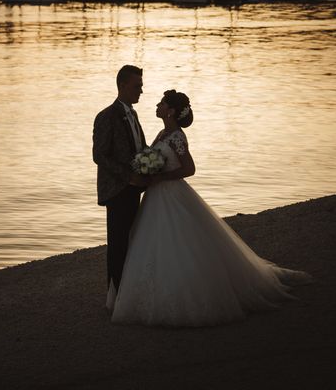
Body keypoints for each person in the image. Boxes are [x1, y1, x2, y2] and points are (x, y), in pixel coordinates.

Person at [111, 90, 312, 327]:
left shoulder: (177, 136)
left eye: (162, 103)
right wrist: (148, 169)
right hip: (156, 196)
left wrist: (161, 177)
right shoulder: (162, 133)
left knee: (179, 243)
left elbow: (189, 169)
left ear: (172, 111)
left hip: (171, 194)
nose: (157, 104)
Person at [92, 65, 150, 310]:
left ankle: (129, 293)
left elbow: (140, 148)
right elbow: (99, 155)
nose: (141, 90)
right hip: (117, 190)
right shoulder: (106, 116)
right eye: (137, 86)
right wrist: (128, 177)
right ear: (122, 85)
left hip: (134, 188)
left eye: (141, 85)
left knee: (132, 242)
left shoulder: (133, 115)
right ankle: (114, 299)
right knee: (117, 245)